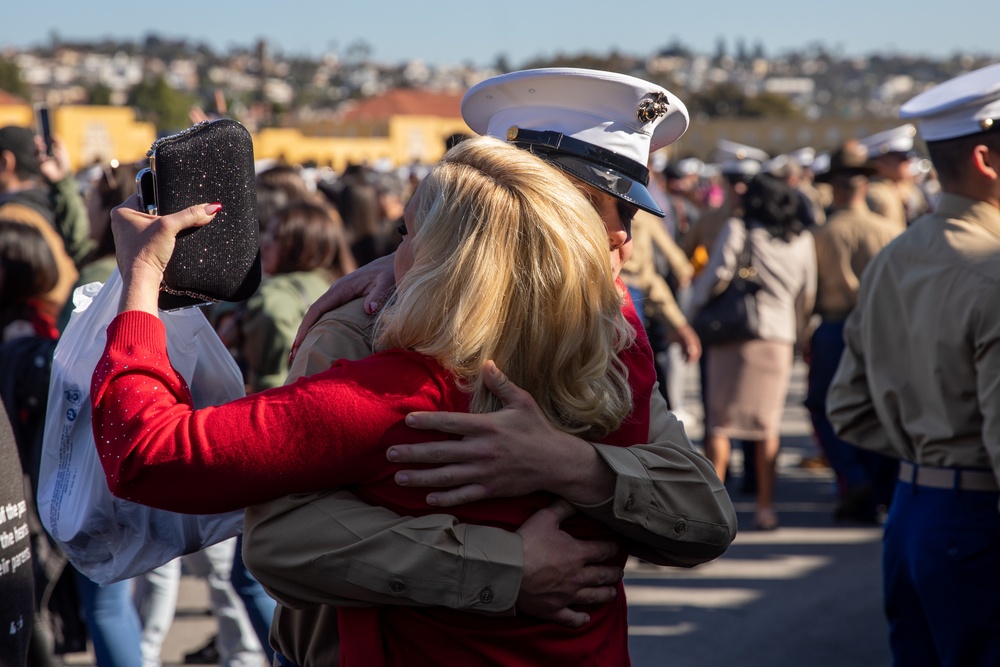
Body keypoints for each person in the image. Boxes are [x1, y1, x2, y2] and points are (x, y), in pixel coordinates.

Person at [92, 134, 731, 665]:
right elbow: (704, 519)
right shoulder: (609, 362)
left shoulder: (404, 392)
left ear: (447, 260)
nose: (391, 253)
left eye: (407, 235)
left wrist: (142, 280)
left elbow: (148, 453)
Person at [261, 68, 735, 666]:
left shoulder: (604, 339)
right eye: (596, 209)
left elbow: (705, 518)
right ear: (519, 211)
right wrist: (504, 567)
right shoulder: (368, 326)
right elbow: (282, 540)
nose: (622, 239)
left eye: (629, 217)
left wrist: (572, 466)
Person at [828, 62, 1000, 666]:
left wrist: (929, 450)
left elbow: (847, 407)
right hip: (980, 519)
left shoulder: (897, 256)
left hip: (914, 510)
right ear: (986, 159)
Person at [689, 173, 817, 530]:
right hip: (778, 337)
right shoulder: (802, 239)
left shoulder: (738, 229)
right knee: (768, 426)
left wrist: (693, 313)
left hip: (735, 334)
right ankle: (765, 507)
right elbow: (807, 294)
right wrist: (799, 331)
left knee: (720, 424)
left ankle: (713, 509)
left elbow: (717, 275)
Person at [806, 141, 901, 524]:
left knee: (827, 406)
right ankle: (880, 484)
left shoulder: (821, 233)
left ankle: (855, 476)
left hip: (835, 325)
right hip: (881, 326)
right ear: (865, 185)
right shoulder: (891, 231)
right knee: (880, 405)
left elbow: (808, 290)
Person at [858, 124, 928, 230]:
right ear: (883, 163)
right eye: (902, 159)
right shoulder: (876, 194)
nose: (909, 162)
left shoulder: (905, 188)